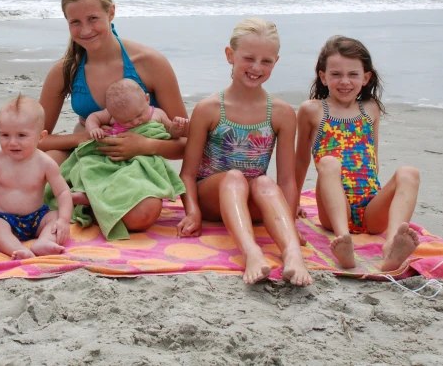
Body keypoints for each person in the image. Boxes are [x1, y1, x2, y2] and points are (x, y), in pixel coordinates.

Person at [36, 0, 188, 232]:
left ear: (111, 12)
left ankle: (83, 202)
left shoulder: (150, 63)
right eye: (75, 22)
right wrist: (85, 139)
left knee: (143, 216)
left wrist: (144, 145)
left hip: (138, 160)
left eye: (93, 18)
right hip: (86, 154)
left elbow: (187, 143)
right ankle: (91, 199)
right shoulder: (65, 70)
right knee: (34, 175)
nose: (85, 30)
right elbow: (36, 140)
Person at [178, 18, 313, 286]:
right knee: (235, 177)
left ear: (276, 61)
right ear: (230, 55)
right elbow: (187, 174)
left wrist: (291, 219)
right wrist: (192, 212)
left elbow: (286, 179)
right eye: (249, 58)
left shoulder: (282, 113)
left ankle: (292, 253)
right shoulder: (210, 109)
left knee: (264, 181)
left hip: (251, 202)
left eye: (266, 61)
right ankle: (251, 253)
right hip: (213, 199)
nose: (256, 68)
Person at [295, 36, 420, 271]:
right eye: (336, 74)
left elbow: (373, 159)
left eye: (353, 74)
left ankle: (392, 244)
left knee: (409, 173)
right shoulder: (312, 109)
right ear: (323, 77)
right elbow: (301, 159)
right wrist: (292, 202)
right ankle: (343, 241)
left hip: (371, 209)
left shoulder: (370, 108)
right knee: (329, 162)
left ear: (366, 77)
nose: (345, 82)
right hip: (334, 212)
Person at [0, 95, 73, 260]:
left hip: (37, 216)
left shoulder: (45, 162)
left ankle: (44, 241)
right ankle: (17, 249)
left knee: (54, 218)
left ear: (41, 137)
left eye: (21, 135)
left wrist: (63, 219)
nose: (12, 142)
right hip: (4, 217)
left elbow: (62, 192)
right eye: (5, 135)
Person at [86, 78, 189, 140]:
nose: (135, 122)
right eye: (126, 121)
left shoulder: (158, 114)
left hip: (147, 155)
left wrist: (176, 128)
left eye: (139, 115)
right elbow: (93, 117)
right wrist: (94, 128)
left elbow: (170, 134)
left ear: (147, 99)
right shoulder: (114, 114)